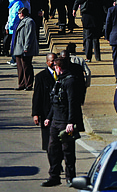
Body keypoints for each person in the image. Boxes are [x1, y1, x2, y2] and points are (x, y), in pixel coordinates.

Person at [42, 56, 82, 187]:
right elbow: (54, 102)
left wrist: (71, 122)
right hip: (55, 121)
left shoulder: (70, 81)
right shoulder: (59, 80)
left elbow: (72, 103)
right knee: (53, 149)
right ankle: (54, 176)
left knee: (68, 151)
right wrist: (48, 117)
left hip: (65, 122)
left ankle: (71, 177)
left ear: (59, 68)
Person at [32, 53, 58, 151]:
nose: (54, 63)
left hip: (59, 112)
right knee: (48, 141)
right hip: (46, 111)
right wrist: (36, 114)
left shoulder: (62, 73)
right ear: (47, 62)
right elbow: (37, 96)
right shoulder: (41, 77)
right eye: (52, 61)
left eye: (56, 60)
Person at [13, 7, 39, 90]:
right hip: (18, 47)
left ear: (22, 13)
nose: (18, 15)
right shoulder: (20, 21)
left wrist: (26, 47)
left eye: (19, 13)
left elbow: (29, 35)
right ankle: (21, 84)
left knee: (26, 66)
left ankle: (28, 84)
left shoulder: (29, 22)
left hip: (25, 48)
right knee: (20, 67)